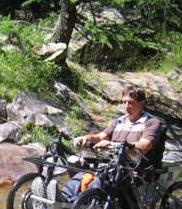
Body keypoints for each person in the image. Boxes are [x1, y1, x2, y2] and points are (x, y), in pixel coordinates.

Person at [32, 86, 162, 202]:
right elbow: (100, 137)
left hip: (135, 171)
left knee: (101, 179)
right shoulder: (119, 122)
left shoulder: (151, 123)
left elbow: (144, 147)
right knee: (84, 175)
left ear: (142, 103)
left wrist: (114, 145)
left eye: (131, 103)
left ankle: (72, 202)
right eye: (124, 102)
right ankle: (61, 197)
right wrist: (86, 137)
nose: (126, 106)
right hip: (113, 166)